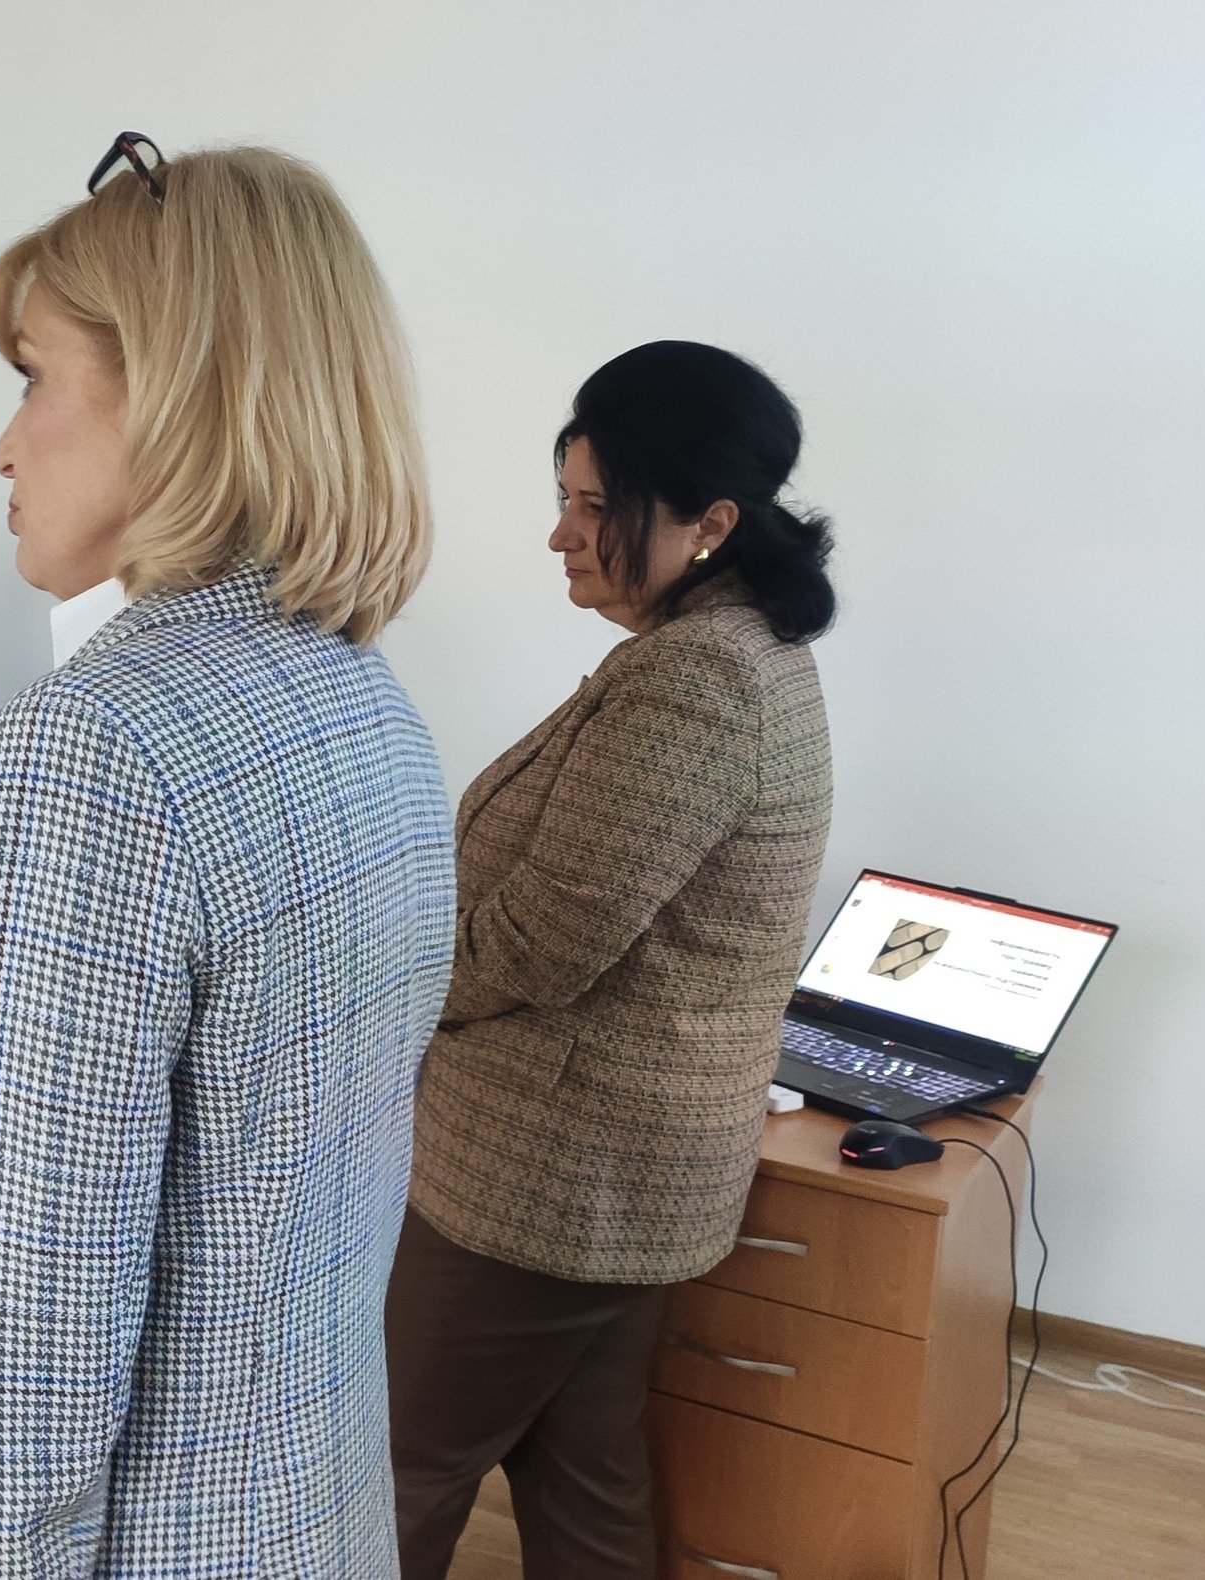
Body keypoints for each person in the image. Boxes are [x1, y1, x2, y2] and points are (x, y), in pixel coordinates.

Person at [0, 138, 456, 1577]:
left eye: (33, 377)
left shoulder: (89, 760)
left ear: (180, 390)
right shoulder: (362, 702)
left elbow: (7, 1377)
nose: (3, 445)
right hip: (302, 1512)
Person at [387, 341, 838, 1578]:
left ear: (710, 522)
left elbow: (538, 942)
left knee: (388, 1469)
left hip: (545, 1179)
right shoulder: (730, 648)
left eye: (595, 506)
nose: (561, 535)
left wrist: (376, 987)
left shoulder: (695, 680)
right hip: (620, 1169)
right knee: (583, 1475)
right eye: (564, 498)